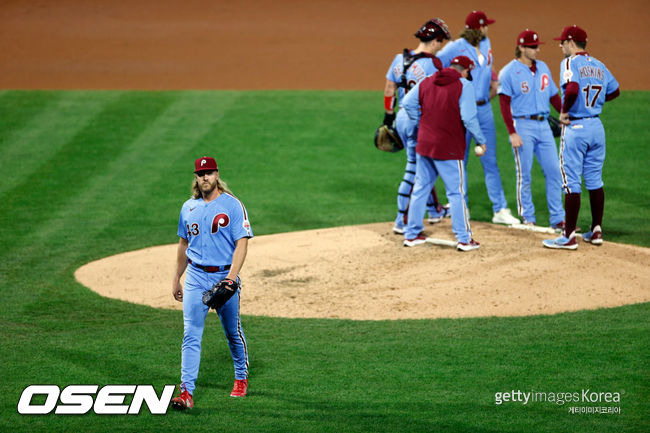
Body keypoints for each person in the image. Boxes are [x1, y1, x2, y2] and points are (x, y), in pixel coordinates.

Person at [171, 156, 253, 409]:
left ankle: (241, 377)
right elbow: (184, 244)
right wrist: (177, 277)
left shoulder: (232, 205)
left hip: (223, 277)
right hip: (195, 277)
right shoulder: (188, 207)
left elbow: (242, 242)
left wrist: (231, 278)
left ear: (217, 175)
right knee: (191, 334)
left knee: (232, 332)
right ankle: (186, 392)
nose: (204, 177)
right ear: (196, 178)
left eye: (209, 172)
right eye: (200, 173)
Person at [437, 10, 520, 226]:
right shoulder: (456, 47)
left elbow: (485, 65)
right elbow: (437, 64)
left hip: (484, 111)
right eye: (485, 26)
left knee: (490, 161)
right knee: (459, 160)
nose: (487, 29)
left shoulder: (486, 42)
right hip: (461, 111)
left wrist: (493, 78)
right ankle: (459, 206)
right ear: (478, 27)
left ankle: (499, 209)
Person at [543, 25, 619, 249]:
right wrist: (593, 104)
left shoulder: (569, 62)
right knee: (595, 180)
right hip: (597, 126)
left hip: (576, 128)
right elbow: (615, 91)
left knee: (571, 183)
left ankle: (568, 237)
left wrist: (565, 111)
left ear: (571, 43)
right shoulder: (599, 65)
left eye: (562, 42)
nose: (560, 46)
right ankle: (596, 230)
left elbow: (573, 88)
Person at [401, 55, 486, 251]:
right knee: (456, 192)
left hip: (425, 143)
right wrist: (481, 140)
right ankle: (464, 239)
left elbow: (407, 102)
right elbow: (469, 118)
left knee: (421, 188)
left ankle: (411, 234)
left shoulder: (428, 80)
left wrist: (420, 122)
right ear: (464, 71)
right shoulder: (463, 85)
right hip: (448, 147)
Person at [384, 18, 452, 234]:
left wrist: (388, 118)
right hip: (419, 120)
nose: (440, 47)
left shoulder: (399, 59)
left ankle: (434, 210)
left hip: (401, 117)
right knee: (414, 169)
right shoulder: (433, 64)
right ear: (435, 41)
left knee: (425, 164)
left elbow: (389, 88)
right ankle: (401, 220)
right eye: (440, 42)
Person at [497, 29, 567, 229]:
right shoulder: (508, 72)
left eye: (537, 46)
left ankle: (558, 219)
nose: (537, 50)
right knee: (524, 174)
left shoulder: (543, 67)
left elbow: (553, 95)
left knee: (554, 172)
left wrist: (563, 113)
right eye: (533, 47)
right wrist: (512, 132)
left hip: (544, 126)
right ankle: (528, 217)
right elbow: (504, 104)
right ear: (521, 47)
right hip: (523, 126)